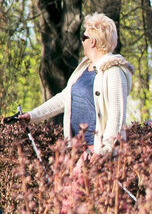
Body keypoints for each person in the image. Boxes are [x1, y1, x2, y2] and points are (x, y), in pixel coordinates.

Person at [19, 13, 133, 155]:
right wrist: (32, 116)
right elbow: (64, 98)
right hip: (77, 150)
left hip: (98, 153)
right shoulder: (83, 69)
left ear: (93, 41)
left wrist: (103, 153)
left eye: (84, 38)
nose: (82, 42)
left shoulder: (114, 71)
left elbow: (116, 116)